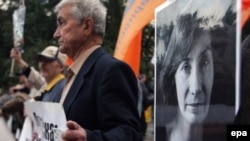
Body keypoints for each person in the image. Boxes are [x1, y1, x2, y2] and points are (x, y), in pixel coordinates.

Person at [53, 0, 142, 141]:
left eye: (62, 23)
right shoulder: (73, 73)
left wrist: (88, 137)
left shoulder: (112, 70)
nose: (56, 34)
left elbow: (129, 133)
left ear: (87, 26)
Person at [156, 13, 214, 141]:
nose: (196, 88)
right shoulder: (159, 133)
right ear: (173, 77)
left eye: (204, 62)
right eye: (186, 67)